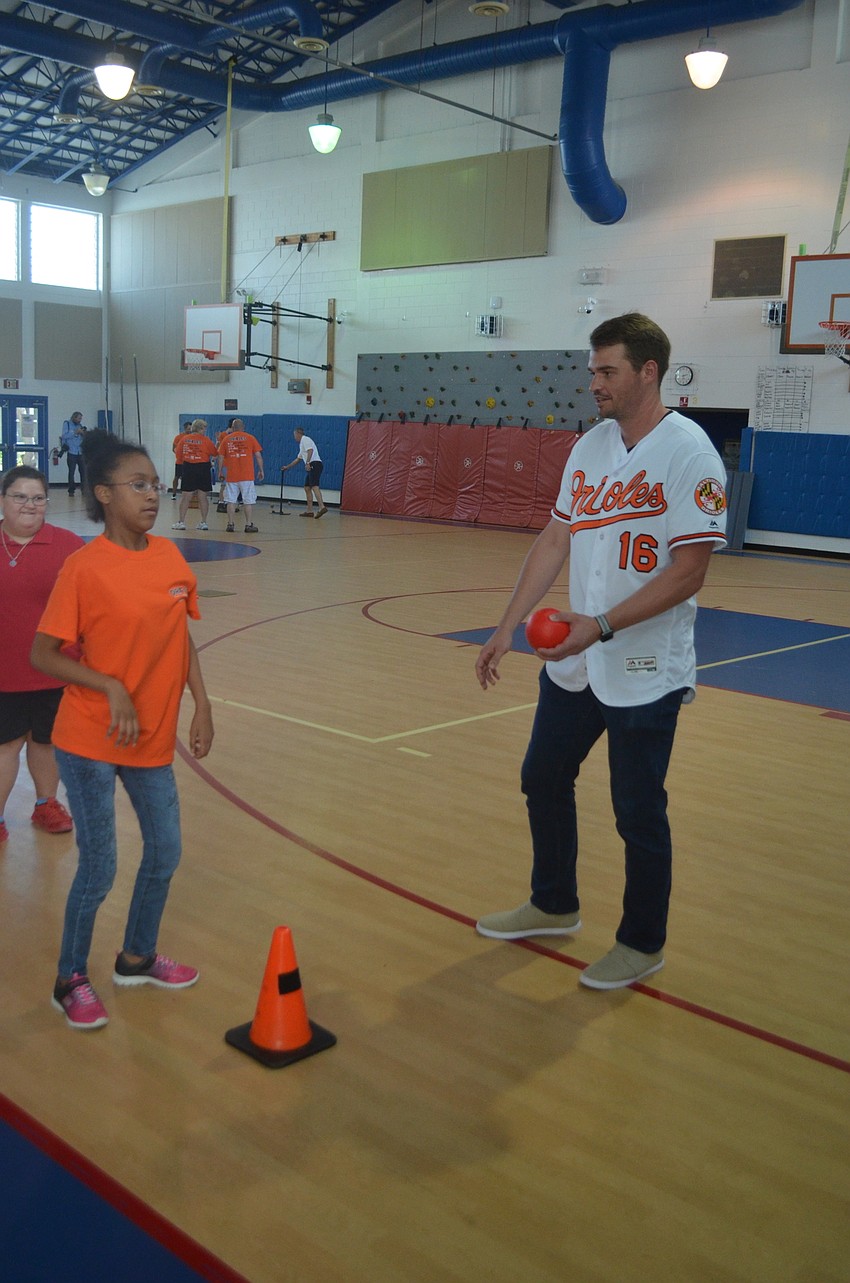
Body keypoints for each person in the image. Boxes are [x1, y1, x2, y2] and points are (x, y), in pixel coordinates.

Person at [474, 313, 727, 990]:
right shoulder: (588, 448)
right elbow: (556, 538)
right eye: (592, 370)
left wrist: (602, 625)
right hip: (577, 661)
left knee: (637, 810)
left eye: (607, 370)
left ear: (648, 372)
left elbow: (689, 572)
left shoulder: (691, 455)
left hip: (644, 668)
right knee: (542, 777)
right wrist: (507, 625)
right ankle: (553, 902)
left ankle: (642, 942)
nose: (595, 382)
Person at [31, 429, 214, 1031]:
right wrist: (107, 685)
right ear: (105, 494)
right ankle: (70, 979)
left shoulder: (168, 558)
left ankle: (135, 956)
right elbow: (44, 654)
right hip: (87, 740)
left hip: (152, 739)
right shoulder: (83, 568)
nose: (152, 495)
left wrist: (203, 703)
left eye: (155, 485)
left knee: (164, 851)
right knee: (100, 866)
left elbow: (181, 634)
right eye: (139, 485)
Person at [0, 466, 84, 844]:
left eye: (38, 498)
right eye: (20, 496)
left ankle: (46, 803)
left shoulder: (68, 545)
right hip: (5, 671)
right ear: (3, 500)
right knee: (6, 745)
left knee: (45, 742)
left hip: (54, 669)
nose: (30, 505)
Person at [217, 418, 263, 534]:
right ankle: (248, 525)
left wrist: (220, 471)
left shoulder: (226, 439)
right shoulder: (250, 438)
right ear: (243, 427)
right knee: (248, 501)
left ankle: (230, 524)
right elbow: (258, 455)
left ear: (233, 428)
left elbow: (221, 457)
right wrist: (261, 470)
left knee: (230, 500)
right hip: (247, 475)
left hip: (232, 475)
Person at [171, 418, 217, 531]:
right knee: (203, 496)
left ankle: (181, 522)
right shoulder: (206, 440)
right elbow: (215, 453)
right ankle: (204, 522)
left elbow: (178, 455)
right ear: (200, 428)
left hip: (189, 467)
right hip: (203, 468)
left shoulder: (184, 439)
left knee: (186, 496)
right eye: (204, 428)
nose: (205, 431)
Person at [281, 428, 328, 518]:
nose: (294, 437)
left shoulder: (305, 439)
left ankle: (322, 507)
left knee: (314, 486)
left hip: (314, 464)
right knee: (307, 487)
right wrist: (287, 467)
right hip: (312, 464)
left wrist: (307, 463)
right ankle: (309, 511)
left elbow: (310, 450)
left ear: (299, 434)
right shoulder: (301, 445)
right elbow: (298, 459)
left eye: (294, 435)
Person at [60, 411, 87, 496]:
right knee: (71, 472)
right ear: (74, 417)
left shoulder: (80, 426)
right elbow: (64, 436)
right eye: (79, 418)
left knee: (83, 472)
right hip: (71, 452)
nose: (80, 420)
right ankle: (71, 490)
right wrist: (75, 432)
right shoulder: (67, 424)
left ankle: (84, 489)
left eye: (81, 419)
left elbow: (82, 438)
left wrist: (83, 434)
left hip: (80, 452)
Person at [169, 422, 191, 501]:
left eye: (191, 429)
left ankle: (185, 494)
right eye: (188, 429)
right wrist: (179, 454)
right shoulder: (178, 437)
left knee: (187, 478)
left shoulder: (192, 437)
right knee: (177, 477)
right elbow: (174, 449)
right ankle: (174, 494)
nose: (190, 430)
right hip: (180, 462)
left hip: (189, 462)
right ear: (185, 428)